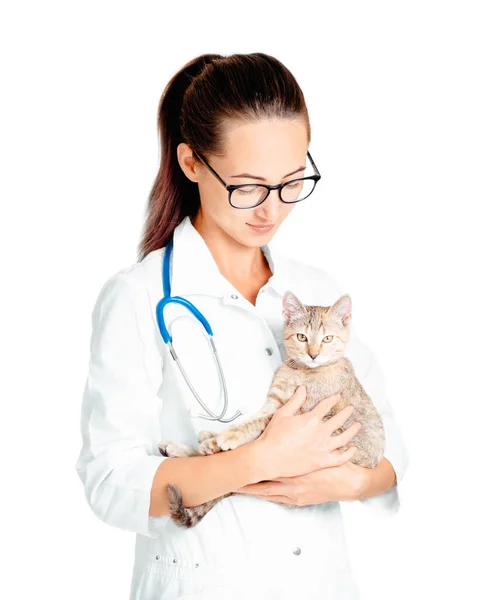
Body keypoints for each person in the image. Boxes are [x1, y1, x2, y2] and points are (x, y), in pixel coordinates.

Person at [75, 52, 410, 600]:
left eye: (292, 180)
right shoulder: (138, 298)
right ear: (191, 163)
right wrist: (261, 459)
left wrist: (343, 481)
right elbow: (111, 484)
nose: (271, 210)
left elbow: (394, 454)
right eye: (248, 186)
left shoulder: (317, 290)